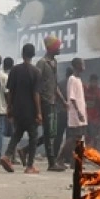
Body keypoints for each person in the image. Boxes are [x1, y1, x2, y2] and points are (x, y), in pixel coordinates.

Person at [5, 43, 43, 174]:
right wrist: (38, 112)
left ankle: (7, 155)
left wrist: (9, 107)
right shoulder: (36, 72)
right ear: (33, 55)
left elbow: (9, 91)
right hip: (30, 110)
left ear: (22, 54)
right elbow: (36, 94)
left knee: (17, 133)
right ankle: (30, 166)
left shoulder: (14, 70)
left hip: (17, 109)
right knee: (33, 137)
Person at [36, 36, 67, 172]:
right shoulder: (42, 63)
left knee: (52, 132)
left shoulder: (54, 62)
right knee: (49, 133)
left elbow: (54, 85)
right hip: (45, 101)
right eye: (58, 46)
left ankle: (24, 151)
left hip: (52, 101)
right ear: (52, 47)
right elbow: (36, 85)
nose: (59, 49)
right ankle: (51, 163)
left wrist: (63, 100)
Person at [62, 58, 88, 160]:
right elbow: (72, 98)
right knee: (74, 138)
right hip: (76, 114)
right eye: (82, 63)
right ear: (77, 65)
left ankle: (75, 161)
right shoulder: (72, 79)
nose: (84, 66)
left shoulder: (78, 79)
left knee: (79, 138)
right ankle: (60, 158)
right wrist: (78, 112)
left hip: (81, 113)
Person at [85, 72, 100, 152]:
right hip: (86, 119)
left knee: (95, 138)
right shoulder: (85, 90)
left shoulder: (98, 92)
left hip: (95, 120)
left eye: (95, 82)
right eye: (93, 81)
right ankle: (86, 153)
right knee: (86, 138)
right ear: (90, 81)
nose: (94, 83)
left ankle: (94, 153)